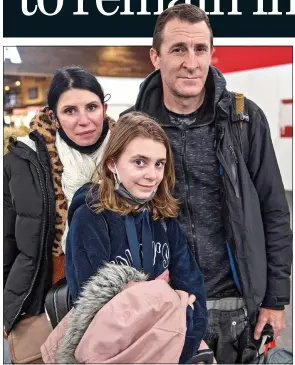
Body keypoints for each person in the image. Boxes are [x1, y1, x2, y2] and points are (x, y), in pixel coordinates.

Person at [122, 4, 292, 363]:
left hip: (237, 304)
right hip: (164, 306)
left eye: (201, 49)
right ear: (155, 56)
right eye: (178, 49)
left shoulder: (244, 119)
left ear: (211, 53)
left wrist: (276, 300)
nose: (192, 62)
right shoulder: (132, 127)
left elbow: (274, 211)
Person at [65, 112, 208, 363]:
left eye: (159, 164)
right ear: (112, 163)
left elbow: (195, 297)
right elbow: (96, 312)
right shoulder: (90, 218)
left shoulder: (164, 219)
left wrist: (178, 351)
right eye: (140, 162)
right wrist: (164, 295)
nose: (152, 175)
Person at [3, 65, 115, 357]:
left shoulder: (130, 152)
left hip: (118, 296)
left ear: (104, 107)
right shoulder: (20, 160)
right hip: (42, 296)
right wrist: (8, 303)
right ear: (53, 116)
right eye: (69, 111)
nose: (84, 121)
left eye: (91, 107)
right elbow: (7, 238)